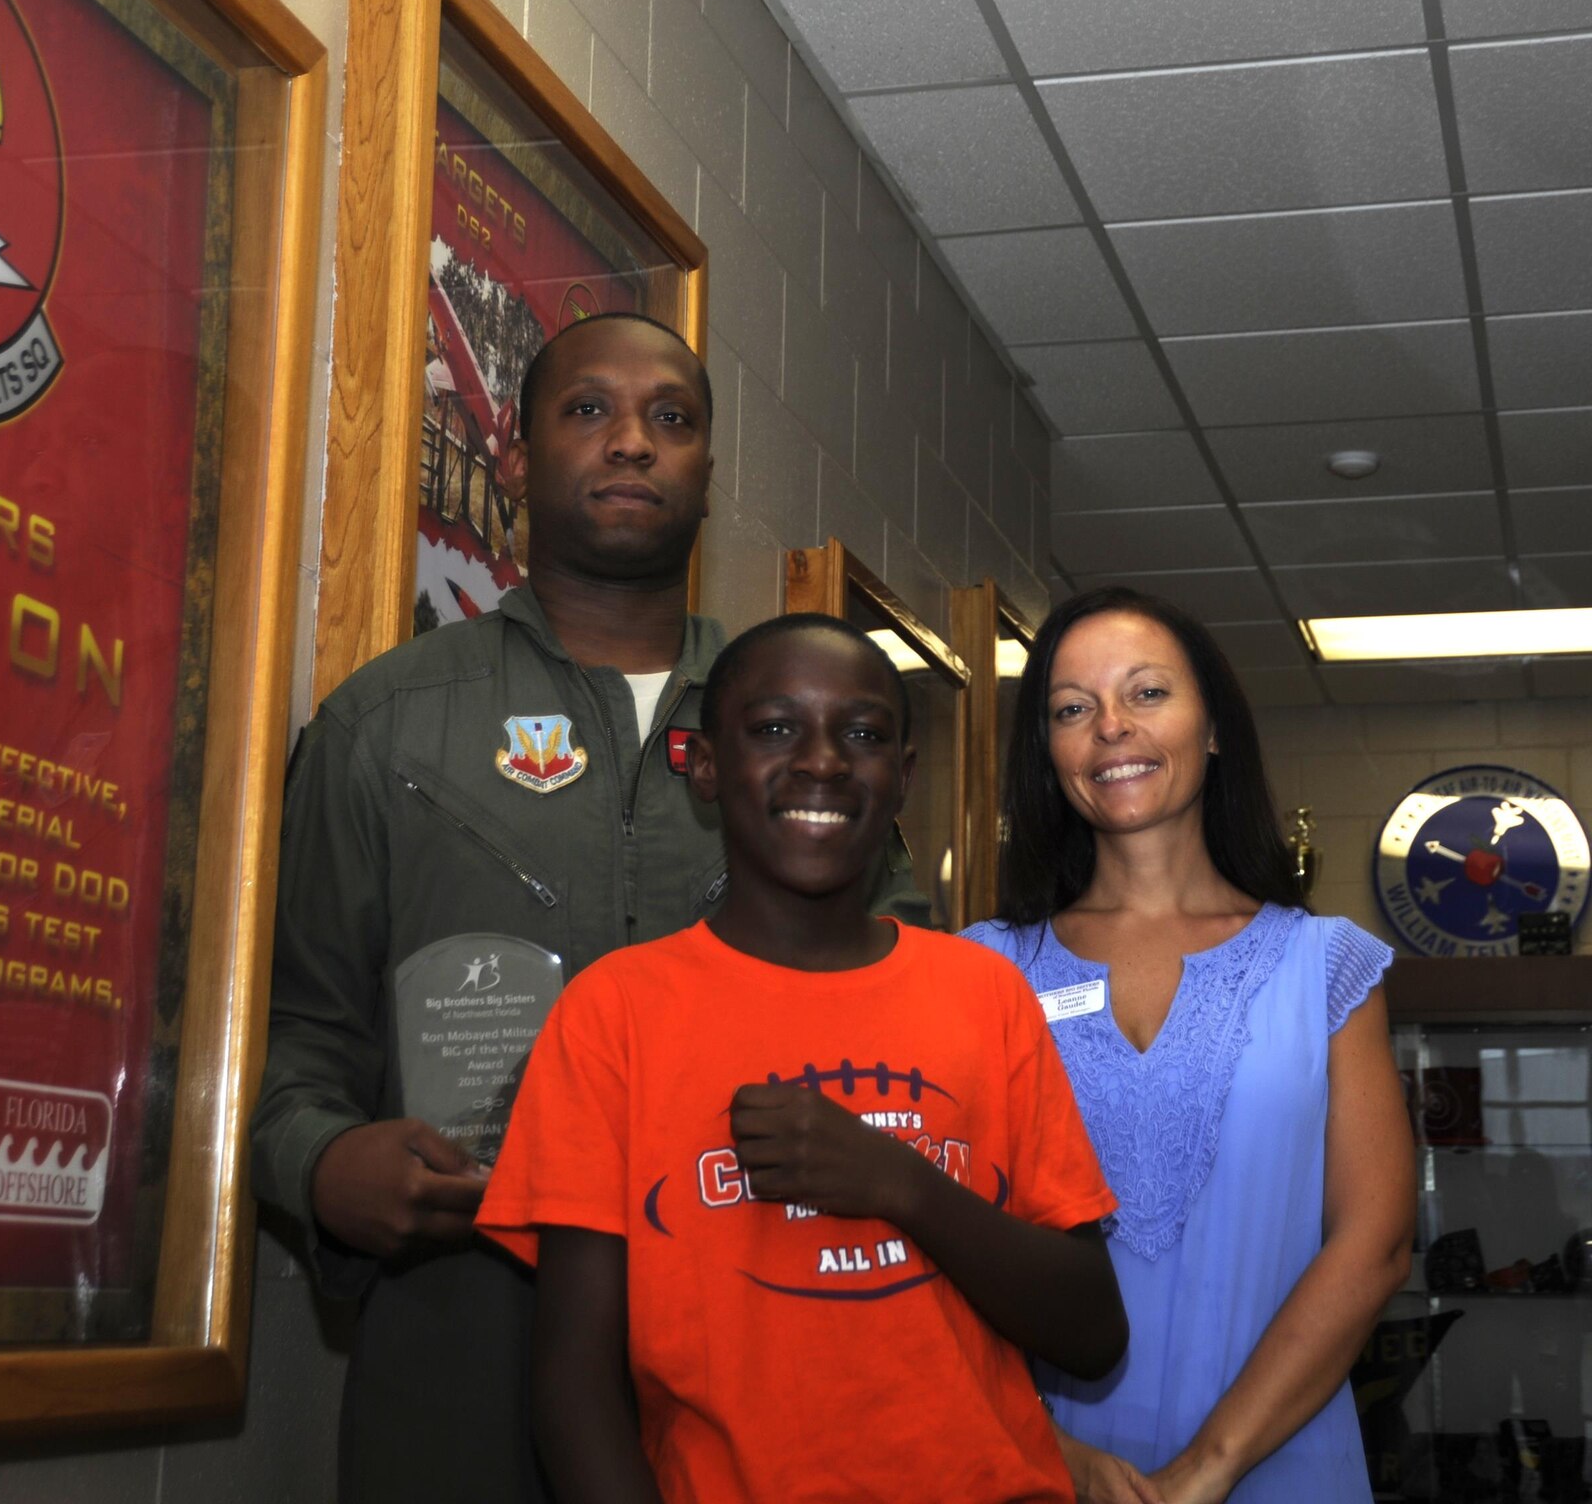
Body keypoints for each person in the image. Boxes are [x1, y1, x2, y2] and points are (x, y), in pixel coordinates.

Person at [250, 315, 927, 1503]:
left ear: (707, 473)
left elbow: (915, 1016)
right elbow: (289, 1043)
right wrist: (320, 1165)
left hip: (766, 1341)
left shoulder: (805, 732)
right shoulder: (388, 724)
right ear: (512, 463)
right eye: (587, 412)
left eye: (671, 419)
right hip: (463, 1344)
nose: (631, 443)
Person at [477, 614, 1127, 1504]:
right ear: (705, 767)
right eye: (775, 728)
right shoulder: (614, 1012)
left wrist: (898, 1183)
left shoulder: (983, 993)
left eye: (861, 734)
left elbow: (1092, 1330)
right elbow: (572, 1384)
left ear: (900, 779)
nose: (822, 760)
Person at [961, 587, 1414, 1504]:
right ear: (1049, 757)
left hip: (1280, 1462)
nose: (1111, 729)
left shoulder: (1323, 966)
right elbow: (943, 1243)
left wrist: (1206, 1471)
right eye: (1072, 709)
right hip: (1042, 1473)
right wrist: (1051, 1448)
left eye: (1148, 693)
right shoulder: (981, 970)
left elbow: (1375, 1241)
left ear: (1214, 730)